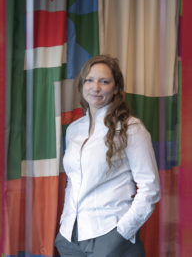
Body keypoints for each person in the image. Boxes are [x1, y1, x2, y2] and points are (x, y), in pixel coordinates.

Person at [55, 55, 160, 257]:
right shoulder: (74, 129)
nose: (95, 87)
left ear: (115, 88)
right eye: (89, 80)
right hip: (70, 237)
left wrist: (121, 233)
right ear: (81, 84)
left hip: (110, 236)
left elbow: (150, 188)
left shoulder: (131, 128)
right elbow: (73, 181)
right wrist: (64, 227)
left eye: (104, 81)